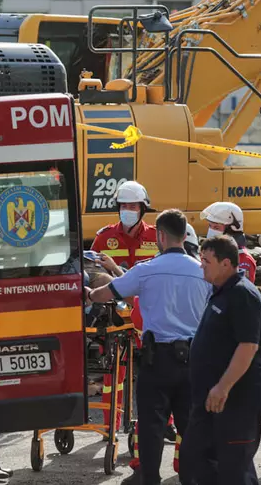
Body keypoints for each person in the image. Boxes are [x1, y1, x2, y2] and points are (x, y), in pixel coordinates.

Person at [84, 209, 211, 485]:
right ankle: (190, 478)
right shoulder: (202, 271)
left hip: (157, 360)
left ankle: (148, 478)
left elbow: (108, 292)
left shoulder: (147, 270)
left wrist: (89, 293)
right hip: (194, 360)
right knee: (190, 425)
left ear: (161, 237)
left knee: (152, 425)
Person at [180, 235, 261, 485]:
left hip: (236, 400)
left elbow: (248, 346)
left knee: (234, 470)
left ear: (226, 264)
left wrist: (223, 386)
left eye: (206, 261)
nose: (201, 265)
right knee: (194, 459)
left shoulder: (243, 295)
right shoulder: (220, 292)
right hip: (211, 400)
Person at [90, 180, 159, 436]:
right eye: (123, 206)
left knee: (160, 371)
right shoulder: (104, 237)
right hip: (114, 317)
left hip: (147, 316)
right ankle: (111, 426)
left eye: (133, 206)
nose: (128, 210)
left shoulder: (156, 236)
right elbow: (92, 273)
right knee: (112, 377)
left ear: (142, 209)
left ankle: (165, 425)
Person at [200, 201, 256, 283]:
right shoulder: (207, 254)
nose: (211, 231)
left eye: (216, 227)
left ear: (230, 230)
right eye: (210, 226)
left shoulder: (244, 260)